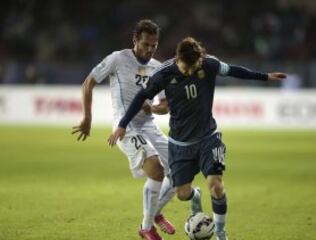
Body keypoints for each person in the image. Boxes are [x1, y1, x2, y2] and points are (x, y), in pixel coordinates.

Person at [108, 36, 287, 240]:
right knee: (182, 193)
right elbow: (141, 96)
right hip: (179, 145)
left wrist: (265, 77)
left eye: (193, 68)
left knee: (216, 185)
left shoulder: (209, 64)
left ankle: (220, 232)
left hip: (208, 139)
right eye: (186, 67)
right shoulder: (164, 74)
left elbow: (235, 71)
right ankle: (195, 196)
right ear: (178, 59)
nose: (189, 71)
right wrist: (122, 125)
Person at [72, 19, 176, 240]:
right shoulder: (118, 59)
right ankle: (147, 228)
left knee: (180, 168)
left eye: (154, 45)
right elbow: (88, 82)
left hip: (149, 127)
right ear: (135, 40)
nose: (149, 49)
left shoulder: (158, 68)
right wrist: (87, 117)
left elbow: (165, 105)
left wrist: (153, 108)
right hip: (125, 129)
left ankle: (155, 214)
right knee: (156, 169)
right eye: (146, 44)